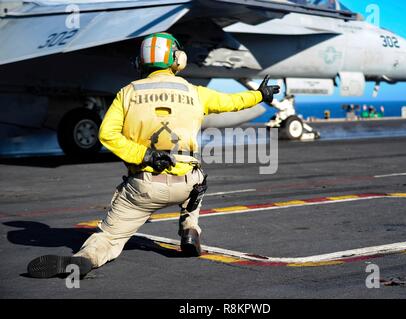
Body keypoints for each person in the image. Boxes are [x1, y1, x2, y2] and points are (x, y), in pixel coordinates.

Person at [27, 32, 280, 278]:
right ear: (177, 60)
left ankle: (84, 260)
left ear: (142, 62)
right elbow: (232, 102)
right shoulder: (195, 92)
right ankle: (190, 229)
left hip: (144, 186)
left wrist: (145, 155)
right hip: (185, 184)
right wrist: (261, 95)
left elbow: (106, 135)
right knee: (199, 178)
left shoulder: (127, 93)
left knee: (107, 238)